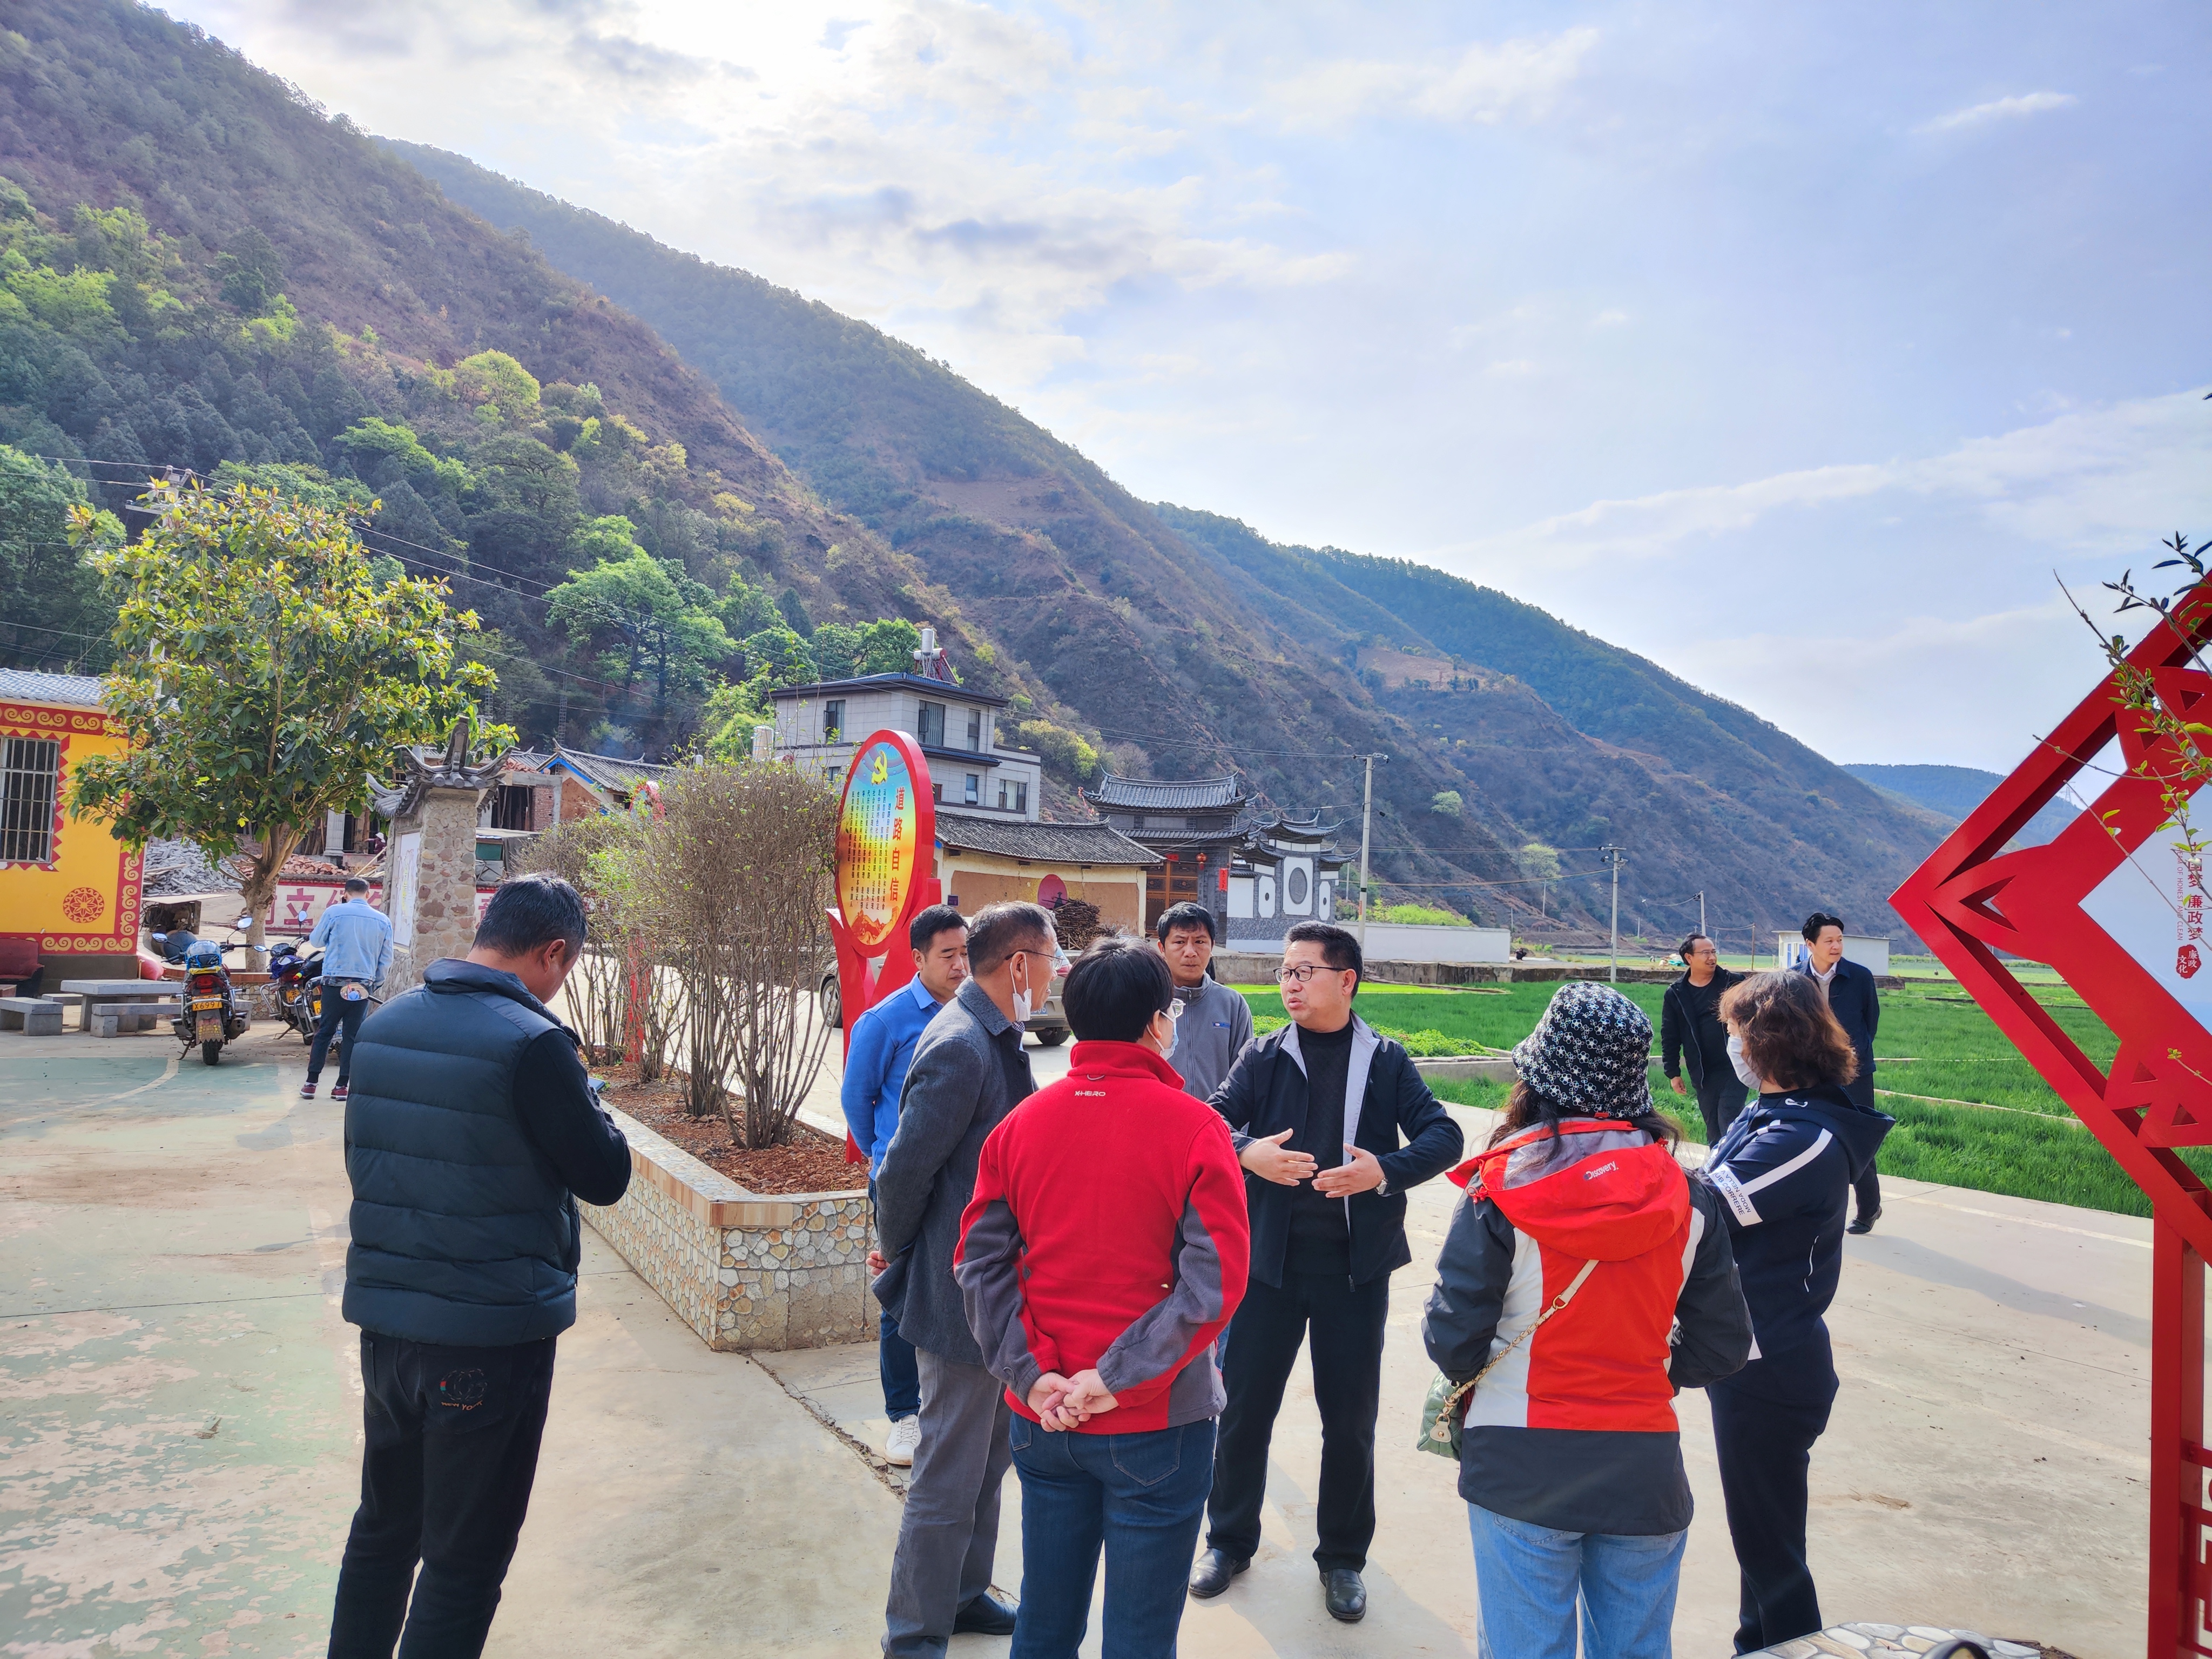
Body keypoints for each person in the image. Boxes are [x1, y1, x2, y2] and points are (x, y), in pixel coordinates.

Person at [327, 874, 632, 1657]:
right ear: (552, 952)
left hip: (387, 1325)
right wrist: (593, 1101)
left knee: (384, 1530)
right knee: (464, 1562)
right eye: (565, 969)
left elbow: (369, 1162)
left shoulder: (386, 1026)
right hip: (489, 1338)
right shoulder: (532, 1042)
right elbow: (604, 1177)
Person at [1424, 982, 1752, 1659]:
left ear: (1537, 1080)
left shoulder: (1500, 1190)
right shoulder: (1690, 1198)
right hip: (1644, 1467)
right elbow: (1723, 1345)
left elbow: (1454, 1340)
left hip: (1520, 1464)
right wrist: (1653, 1369)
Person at [956, 936, 1251, 1656]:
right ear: (1157, 1023)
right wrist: (1117, 1378)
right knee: (1140, 1634)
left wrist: (1032, 1374)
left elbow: (979, 1264)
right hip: (1157, 1421)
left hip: (1045, 1413)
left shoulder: (1020, 1126)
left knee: (1045, 1619)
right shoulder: (1195, 1127)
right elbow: (1215, 1280)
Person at [1191, 920, 1466, 1623]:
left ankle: (1342, 1558)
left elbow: (1445, 1135)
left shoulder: (1386, 1060)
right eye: (1285, 971)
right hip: (1269, 1270)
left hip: (1353, 1274)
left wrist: (1385, 1171)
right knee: (1244, 1411)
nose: (1289, 984)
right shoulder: (1264, 1054)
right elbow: (1210, 1122)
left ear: (1346, 981)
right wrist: (1248, 1152)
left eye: (1303, 971)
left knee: (1349, 1422)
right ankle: (1227, 1541)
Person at [873, 900, 1059, 1655]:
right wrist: (898, 1253)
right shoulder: (961, 1046)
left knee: (988, 1461)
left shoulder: (998, 1035)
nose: (1056, 974)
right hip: (958, 1296)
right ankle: (915, 1635)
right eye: (1050, 959)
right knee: (947, 1473)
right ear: (1018, 965)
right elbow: (903, 1171)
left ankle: (963, 1594)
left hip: (1000, 1294)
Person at [1703, 972, 1894, 1654]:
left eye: (1735, 1033)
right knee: (1761, 1538)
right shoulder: (1771, 1114)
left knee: (1770, 1549)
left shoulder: (1804, 1137)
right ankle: (1756, 1645)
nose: (1730, 1044)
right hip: (1747, 1355)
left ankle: (1791, 1646)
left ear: (1768, 1040)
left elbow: (1703, 1207)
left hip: (1771, 1366)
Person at [843, 904, 970, 1468]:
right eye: (948, 955)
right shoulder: (886, 1021)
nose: (960, 965)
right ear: (918, 958)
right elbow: (857, 1098)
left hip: (959, 1185)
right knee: (899, 1293)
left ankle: (950, 1403)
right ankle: (903, 1414)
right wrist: (883, 1156)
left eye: (966, 953)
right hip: (901, 1184)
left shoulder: (976, 1012)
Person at [1792, 911, 1884, 1233]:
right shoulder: (1794, 980)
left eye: (1840, 940)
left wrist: (1850, 1055)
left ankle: (1869, 1209)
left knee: (1859, 1138)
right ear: (1810, 945)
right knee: (1809, 1137)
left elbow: (1870, 1023)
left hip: (1853, 1071)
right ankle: (1812, 1209)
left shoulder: (1859, 977)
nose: (1836, 946)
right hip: (1810, 1072)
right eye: (1829, 941)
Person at [301, 877, 394, 1102]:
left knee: (325, 1031)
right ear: (368, 894)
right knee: (352, 1035)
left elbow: (316, 941)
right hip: (362, 985)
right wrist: (375, 984)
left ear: (345, 894)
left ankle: (311, 1084)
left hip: (334, 981)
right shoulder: (382, 920)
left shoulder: (335, 912)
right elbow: (386, 959)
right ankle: (342, 1086)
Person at [1154, 899, 1255, 1103]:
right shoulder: (1148, 1003)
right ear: (1162, 948)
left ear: (1212, 946)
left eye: (1200, 942)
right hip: (1161, 1117)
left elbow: (1246, 1076)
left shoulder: (1232, 1005)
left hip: (1218, 1119)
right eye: (1180, 942)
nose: (1190, 952)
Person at [1661, 932, 1747, 1143]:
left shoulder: (1734, 983)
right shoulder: (1677, 993)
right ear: (1689, 958)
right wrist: (1673, 1072)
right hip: (1702, 1071)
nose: (1712, 957)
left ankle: (1733, 1160)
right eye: (1705, 953)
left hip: (1735, 1065)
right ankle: (1716, 1162)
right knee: (1712, 1126)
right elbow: (1670, 1035)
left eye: (1714, 952)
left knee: (1729, 1119)